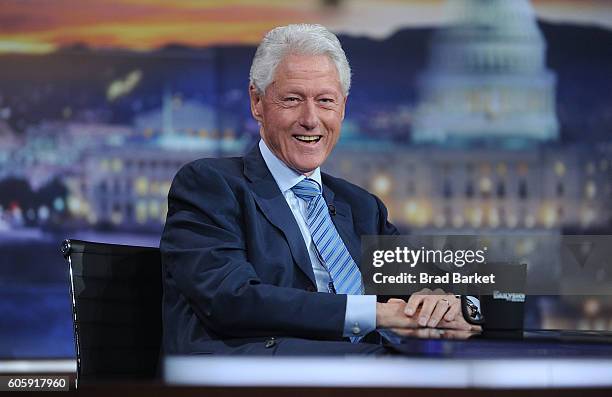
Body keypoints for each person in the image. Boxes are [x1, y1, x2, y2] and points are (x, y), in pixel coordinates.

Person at [160, 24, 477, 355]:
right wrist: (377, 313)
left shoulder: (363, 208)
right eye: (293, 99)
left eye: (325, 101)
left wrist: (446, 299)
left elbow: (439, 279)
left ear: (342, 107)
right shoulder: (211, 185)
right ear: (257, 102)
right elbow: (232, 299)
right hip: (262, 375)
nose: (310, 119)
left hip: (367, 370)